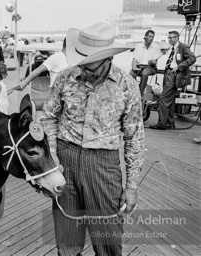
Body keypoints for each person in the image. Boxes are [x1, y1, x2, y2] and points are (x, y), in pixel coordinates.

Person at [41, 22, 144, 256]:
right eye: (81, 62)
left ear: (107, 59)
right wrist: (53, 155)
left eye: (90, 64)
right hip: (65, 160)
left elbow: (134, 138)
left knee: (107, 238)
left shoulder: (127, 86)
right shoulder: (65, 78)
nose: (83, 68)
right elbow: (48, 117)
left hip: (104, 165)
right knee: (67, 240)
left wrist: (131, 186)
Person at [149, 31, 196, 130]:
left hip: (175, 75)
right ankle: (170, 123)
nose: (169, 39)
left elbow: (192, 58)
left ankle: (162, 124)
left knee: (163, 99)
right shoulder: (172, 47)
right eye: (169, 38)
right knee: (169, 101)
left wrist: (179, 67)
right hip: (168, 73)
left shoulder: (183, 47)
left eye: (171, 38)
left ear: (177, 38)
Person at [129, 30, 161, 96]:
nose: (151, 38)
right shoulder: (139, 46)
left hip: (150, 67)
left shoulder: (156, 47)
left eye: (153, 37)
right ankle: (133, 91)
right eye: (150, 36)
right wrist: (134, 67)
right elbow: (134, 59)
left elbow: (155, 61)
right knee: (131, 73)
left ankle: (140, 94)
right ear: (145, 36)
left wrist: (153, 62)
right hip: (140, 66)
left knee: (144, 73)